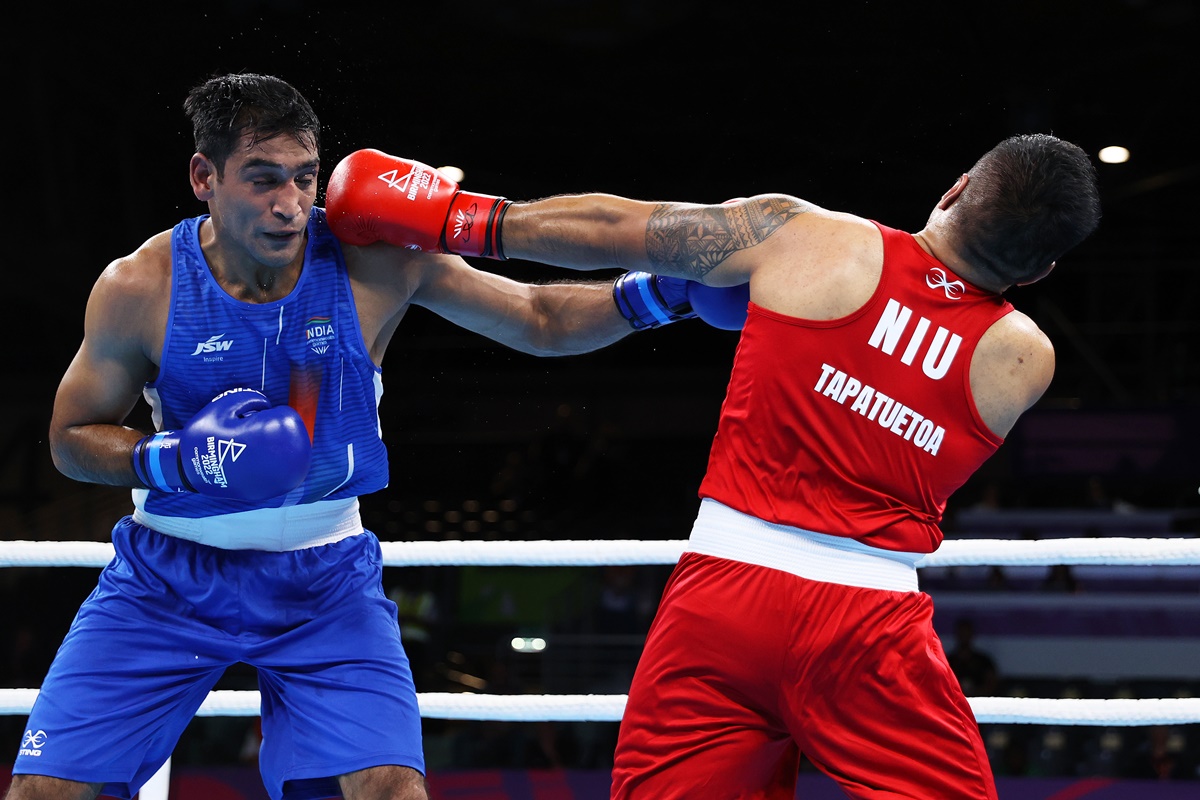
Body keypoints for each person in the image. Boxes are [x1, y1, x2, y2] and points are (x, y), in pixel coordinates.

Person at [9, 73, 746, 800]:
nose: (290, 205)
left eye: (304, 178)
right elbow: (69, 439)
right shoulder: (141, 287)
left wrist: (665, 291)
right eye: (263, 180)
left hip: (325, 584)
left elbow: (540, 319)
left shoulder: (373, 259)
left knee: (391, 789)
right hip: (165, 581)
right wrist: (172, 461)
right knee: (42, 792)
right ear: (204, 175)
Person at [323, 133, 1102, 798]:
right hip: (869, 627)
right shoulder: (1025, 358)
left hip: (723, 600)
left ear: (957, 188)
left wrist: (458, 218)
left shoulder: (808, 238)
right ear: (1040, 273)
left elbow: (614, 227)